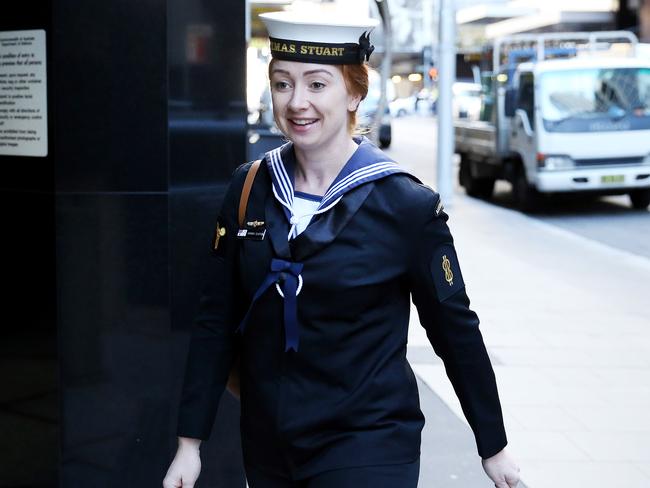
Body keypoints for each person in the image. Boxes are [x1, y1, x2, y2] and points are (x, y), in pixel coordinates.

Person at [163, 10, 520, 488]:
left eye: (316, 84)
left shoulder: (405, 205)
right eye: (283, 83)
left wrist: (492, 443)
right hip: (270, 443)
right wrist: (191, 442)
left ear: (354, 92)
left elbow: (455, 330)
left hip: (367, 441)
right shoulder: (248, 188)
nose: (297, 102)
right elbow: (215, 319)